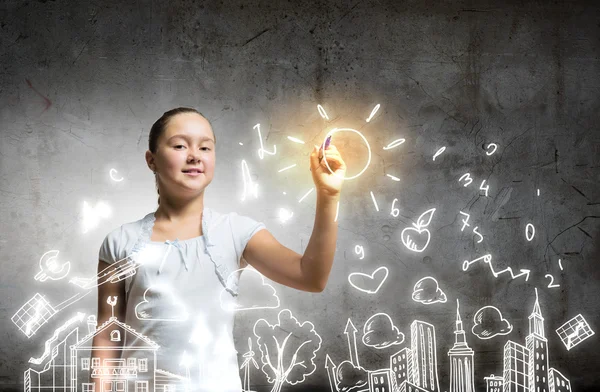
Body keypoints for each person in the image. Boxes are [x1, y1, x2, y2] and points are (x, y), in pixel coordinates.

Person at [90, 107, 346, 391]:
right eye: (179, 145)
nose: (194, 155)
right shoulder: (119, 241)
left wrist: (328, 195)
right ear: (152, 160)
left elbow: (310, 277)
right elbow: (107, 334)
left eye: (205, 147)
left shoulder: (236, 232)